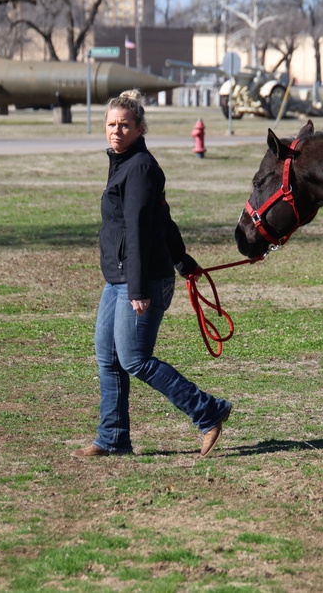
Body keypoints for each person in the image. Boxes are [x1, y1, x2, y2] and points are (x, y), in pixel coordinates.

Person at [72, 90, 231, 458]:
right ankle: (113, 438)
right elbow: (163, 219)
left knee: (134, 359)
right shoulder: (124, 162)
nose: (116, 130)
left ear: (140, 128)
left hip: (139, 281)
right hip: (119, 280)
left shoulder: (140, 167)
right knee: (108, 358)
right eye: (111, 124)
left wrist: (139, 289)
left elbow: (142, 230)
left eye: (124, 125)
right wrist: (183, 259)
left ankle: (207, 411)